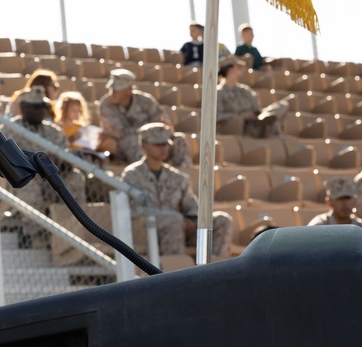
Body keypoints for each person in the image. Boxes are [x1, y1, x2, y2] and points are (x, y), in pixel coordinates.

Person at [121, 123, 231, 258]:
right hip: (145, 229)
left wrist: (189, 219)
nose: (163, 148)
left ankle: (217, 269)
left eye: (165, 144)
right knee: (173, 219)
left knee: (222, 220)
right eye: (157, 145)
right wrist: (175, 218)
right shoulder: (132, 174)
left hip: (177, 229)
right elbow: (133, 210)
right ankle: (175, 272)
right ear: (143, 145)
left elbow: (192, 206)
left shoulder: (176, 177)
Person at [5, 86, 87, 247]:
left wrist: (66, 162)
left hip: (52, 177)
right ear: (23, 108)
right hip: (27, 178)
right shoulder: (10, 129)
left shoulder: (54, 131)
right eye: (34, 107)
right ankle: (36, 235)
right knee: (28, 183)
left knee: (76, 177)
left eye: (43, 107)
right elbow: (7, 159)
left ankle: (75, 231)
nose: (39, 111)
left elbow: (64, 155)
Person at [97, 68, 189, 169]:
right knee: (135, 141)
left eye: (117, 90)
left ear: (129, 90)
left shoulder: (145, 101)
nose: (112, 93)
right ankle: (146, 173)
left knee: (179, 139)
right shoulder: (106, 105)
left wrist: (160, 133)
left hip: (154, 138)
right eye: (111, 89)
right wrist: (146, 132)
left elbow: (163, 123)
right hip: (124, 144)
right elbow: (120, 133)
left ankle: (181, 174)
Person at [215, 55, 285, 138]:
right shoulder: (218, 92)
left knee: (282, 105)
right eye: (238, 67)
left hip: (256, 122)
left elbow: (257, 109)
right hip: (239, 127)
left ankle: (266, 122)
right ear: (231, 69)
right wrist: (241, 116)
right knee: (271, 124)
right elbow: (217, 116)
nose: (241, 70)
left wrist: (256, 114)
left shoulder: (245, 90)